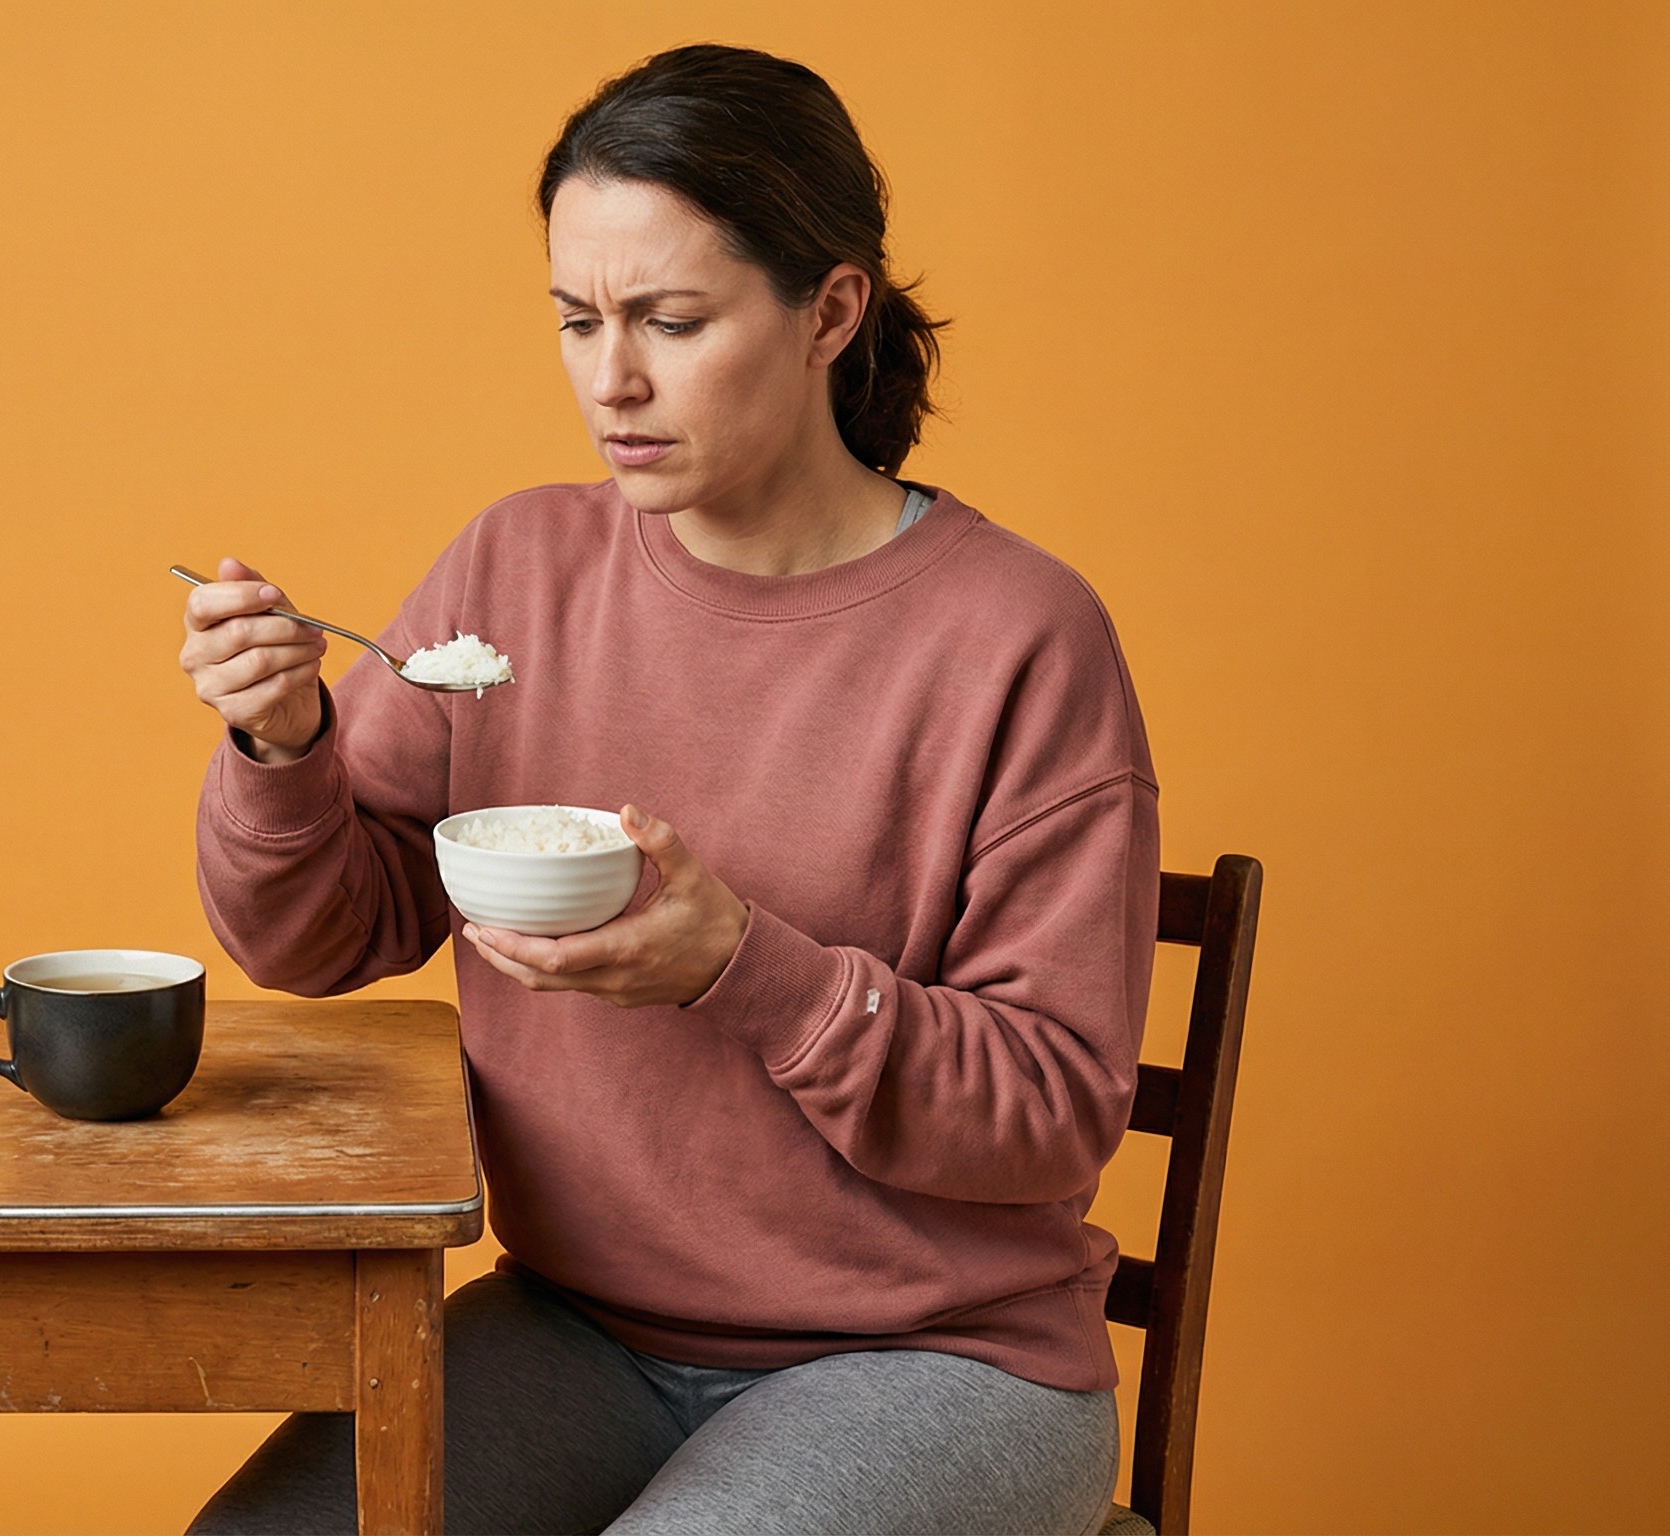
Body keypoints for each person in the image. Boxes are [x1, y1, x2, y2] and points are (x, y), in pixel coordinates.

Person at [175, 42, 1153, 1536]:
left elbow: (1056, 1115)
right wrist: (287, 744)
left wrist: (745, 972)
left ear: (832, 310)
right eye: (577, 320)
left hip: (935, 1359)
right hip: (581, 1329)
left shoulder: (1018, 639)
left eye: (670, 321)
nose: (611, 379)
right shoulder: (518, 569)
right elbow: (315, 940)